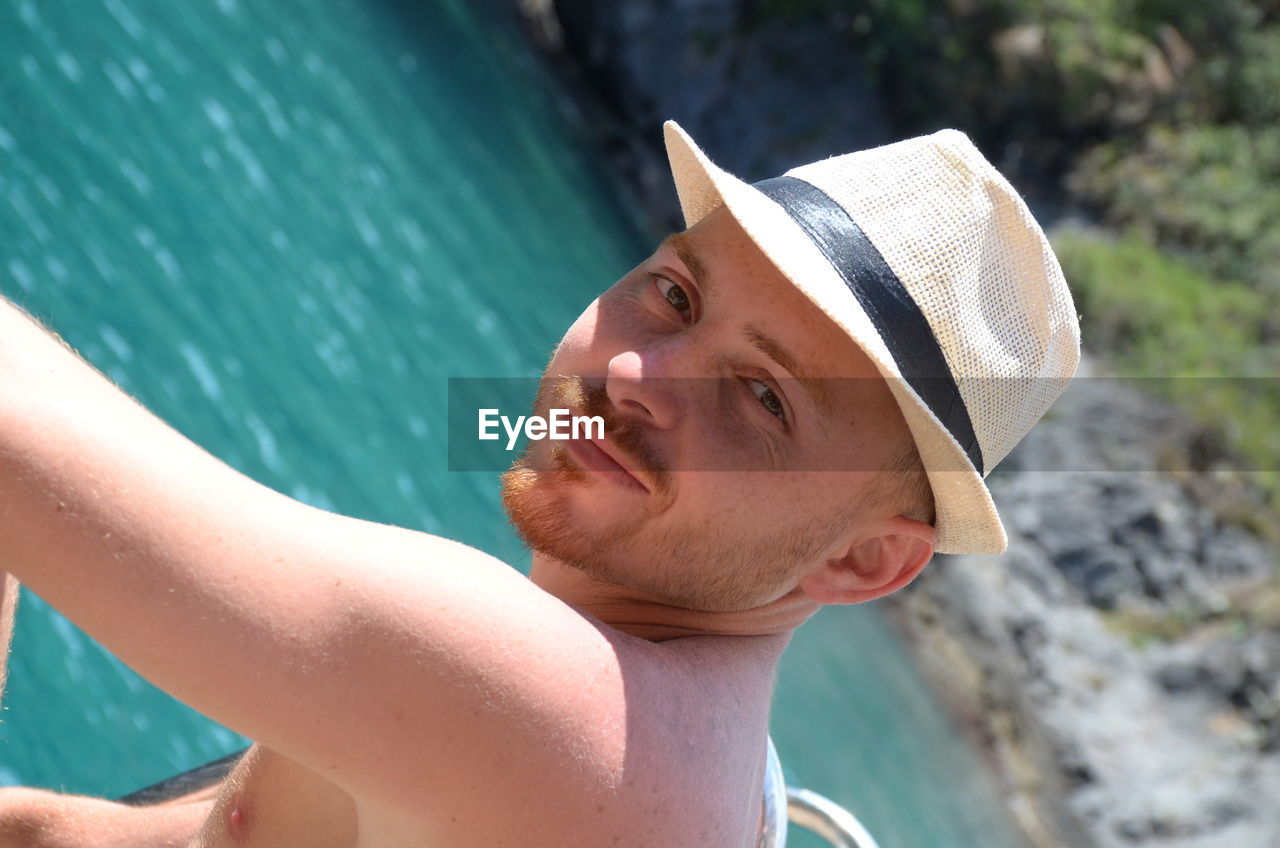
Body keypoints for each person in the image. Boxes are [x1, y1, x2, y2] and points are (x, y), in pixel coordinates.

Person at [0, 120, 1079, 847]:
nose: (628, 376)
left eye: (762, 398)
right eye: (670, 293)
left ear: (862, 556)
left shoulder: (556, 719)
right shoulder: (714, 767)